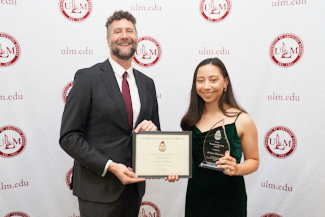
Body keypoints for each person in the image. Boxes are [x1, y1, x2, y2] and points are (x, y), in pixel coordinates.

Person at [59, 10, 160, 217]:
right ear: (108, 40)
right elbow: (69, 137)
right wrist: (110, 166)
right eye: (117, 31)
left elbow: (156, 133)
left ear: (137, 38)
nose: (124, 36)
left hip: (133, 189)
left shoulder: (147, 84)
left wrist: (153, 130)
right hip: (97, 189)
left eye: (129, 31)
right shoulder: (87, 78)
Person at [166, 58, 259, 217]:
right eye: (200, 81)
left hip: (231, 198)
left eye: (213, 80)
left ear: (225, 82)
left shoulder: (242, 120)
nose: (206, 86)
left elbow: (254, 161)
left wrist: (237, 168)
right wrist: (173, 168)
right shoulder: (189, 121)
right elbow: (183, 160)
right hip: (197, 197)